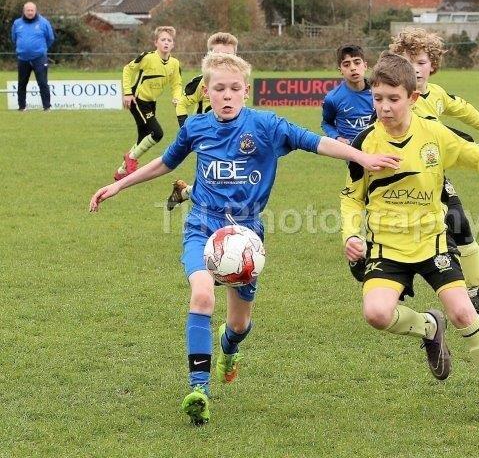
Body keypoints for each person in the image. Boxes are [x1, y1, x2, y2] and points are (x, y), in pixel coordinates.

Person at [89, 52, 400, 426]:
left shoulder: (266, 125)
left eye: (234, 88)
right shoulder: (196, 128)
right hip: (202, 226)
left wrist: (361, 157)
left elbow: (314, 141)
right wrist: (119, 185)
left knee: (238, 325)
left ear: (245, 91)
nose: (227, 95)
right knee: (202, 294)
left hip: (246, 235)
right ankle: (199, 390)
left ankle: (229, 346)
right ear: (206, 91)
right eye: (219, 88)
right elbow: (166, 163)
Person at [341, 52, 479, 426]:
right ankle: (429, 326)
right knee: (376, 314)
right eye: (378, 98)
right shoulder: (363, 143)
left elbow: (478, 158)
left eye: (393, 99)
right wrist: (351, 234)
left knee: (463, 312)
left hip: (432, 243)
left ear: (413, 97)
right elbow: (351, 197)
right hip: (386, 248)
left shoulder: (434, 134)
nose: (384, 107)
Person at [389, 27, 479, 317]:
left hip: (433, 176)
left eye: (421, 62)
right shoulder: (398, 98)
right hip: (398, 181)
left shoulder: (437, 95)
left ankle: (475, 294)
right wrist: (459, 139)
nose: (415, 69)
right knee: (405, 232)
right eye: (407, 62)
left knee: (460, 225)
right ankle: (392, 280)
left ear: (432, 65)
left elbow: (466, 111)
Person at [167, 32, 239, 210]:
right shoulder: (201, 83)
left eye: (229, 57)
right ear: (209, 57)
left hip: (233, 134)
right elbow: (182, 103)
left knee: (223, 180)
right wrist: (186, 130)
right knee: (223, 180)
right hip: (208, 137)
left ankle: (184, 192)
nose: (224, 62)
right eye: (218, 56)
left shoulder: (239, 82)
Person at [114, 26, 182, 181]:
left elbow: (177, 84)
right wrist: (127, 92)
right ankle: (131, 158)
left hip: (151, 103)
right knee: (157, 133)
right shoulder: (147, 57)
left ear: (173, 44)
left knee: (143, 137)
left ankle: (122, 171)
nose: (166, 42)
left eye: (169, 40)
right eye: (163, 39)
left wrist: (177, 97)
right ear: (156, 42)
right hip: (137, 100)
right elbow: (127, 69)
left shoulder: (174, 63)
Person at [321, 44, 374, 144]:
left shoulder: (379, 93)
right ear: (340, 70)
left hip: (377, 148)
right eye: (346, 65)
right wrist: (336, 137)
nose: (353, 68)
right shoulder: (332, 98)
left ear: (365, 66)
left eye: (357, 63)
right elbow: (326, 123)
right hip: (350, 150)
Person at [11, 2, 55, 112]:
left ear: (35, 11)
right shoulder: (17, 23)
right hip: (23, 58)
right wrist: (23, 49)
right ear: (24, 11)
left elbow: (50, 38)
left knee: (43, 83)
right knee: (22, 83)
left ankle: (47, 107)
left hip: (39, 58)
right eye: (28, 10)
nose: (30, 12)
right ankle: (22, 107)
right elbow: (14, 38)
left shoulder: (44, 22)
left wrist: (41, 49)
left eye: (32, 10)